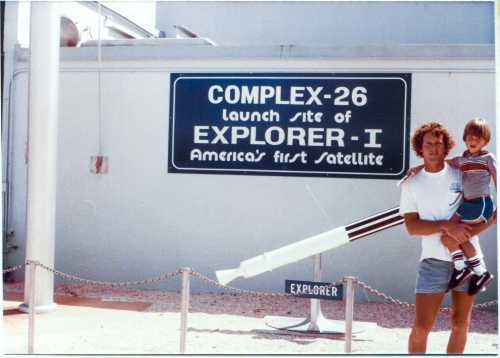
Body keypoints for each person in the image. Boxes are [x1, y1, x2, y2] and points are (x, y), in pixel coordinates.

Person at [399, 122, 496, 354]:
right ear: (419, 148)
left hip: (469, 260)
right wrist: (445, 226)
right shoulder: (410, 183)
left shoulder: (463, 173)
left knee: (460, 325)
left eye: (438, 144)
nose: (433, 148)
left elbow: (491, 215)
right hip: (433, 262)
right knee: (421, 328)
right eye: (427, 144)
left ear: (446, 147)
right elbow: (412, 227)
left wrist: (461, 237)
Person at [406, 118, 496, 294]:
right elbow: (442, 162)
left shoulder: (488, 158)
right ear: (464, 139)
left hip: (480, 203)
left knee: (450, 232)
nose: (473, 142)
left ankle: (466, 269)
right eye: (470, 137)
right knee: (452, 234)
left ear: (485, 142)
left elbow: (496, 178)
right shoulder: (461, 160)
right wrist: (418, 167)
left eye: (478, 139)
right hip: (469, 205)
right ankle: (476, 271)